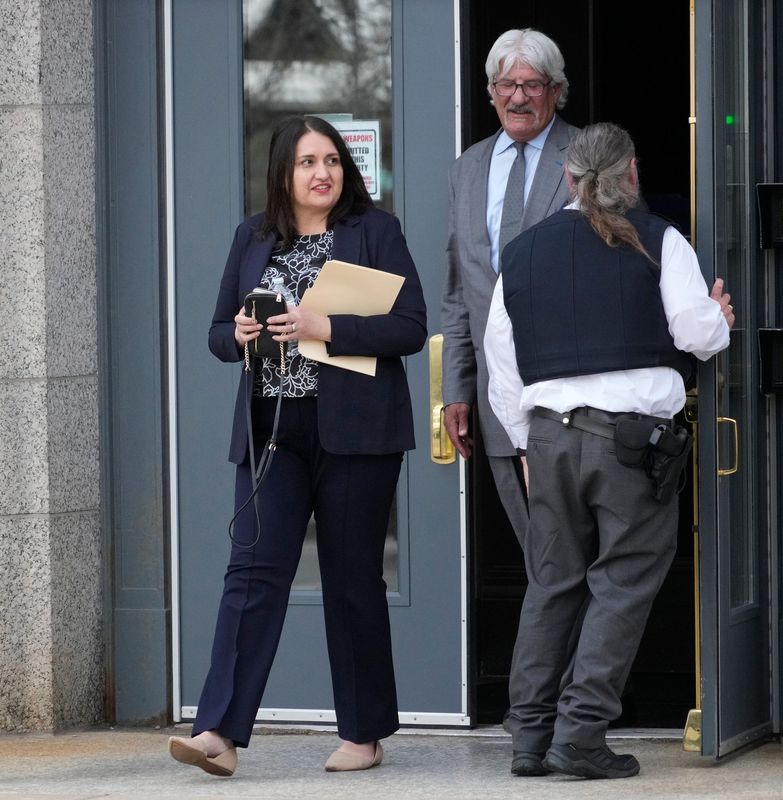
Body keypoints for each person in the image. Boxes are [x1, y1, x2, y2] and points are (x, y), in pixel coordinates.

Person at [168, 115, 427, 777]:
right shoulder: (251, 237)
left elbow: (409, 326)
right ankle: (217, 732)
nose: (323, 173)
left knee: (351, 580)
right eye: (308, 162)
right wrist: (241, 334)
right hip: (272, 432)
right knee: (250, 573)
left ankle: (363, 735)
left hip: (355, 435)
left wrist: (324, 324)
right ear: (283, 173)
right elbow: (216, 335)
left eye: (332, 161)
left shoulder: (376, 232)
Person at [484, 122, 734, 779]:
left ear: (568, 178)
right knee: (621, 583)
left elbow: (499, 362)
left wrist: (524, 444)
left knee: (551, 585)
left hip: (547, 438)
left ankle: (529, 741)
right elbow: (694, 333)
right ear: (631, 175)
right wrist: (719, 318)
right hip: (626, 444)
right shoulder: (659, 239)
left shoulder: (521, 251)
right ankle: (580, 735)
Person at [441, 28, 579, 547]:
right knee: (533, 547)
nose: (517, 97)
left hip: (571, 389)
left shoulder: (586, 157)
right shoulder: (466, 169)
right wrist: (456, 390)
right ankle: (554, 627)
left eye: (532, 84)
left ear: (556, 90)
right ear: (491, 90)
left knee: (574, 544)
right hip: (496, 389)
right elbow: (458, 291)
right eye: (506, 84)